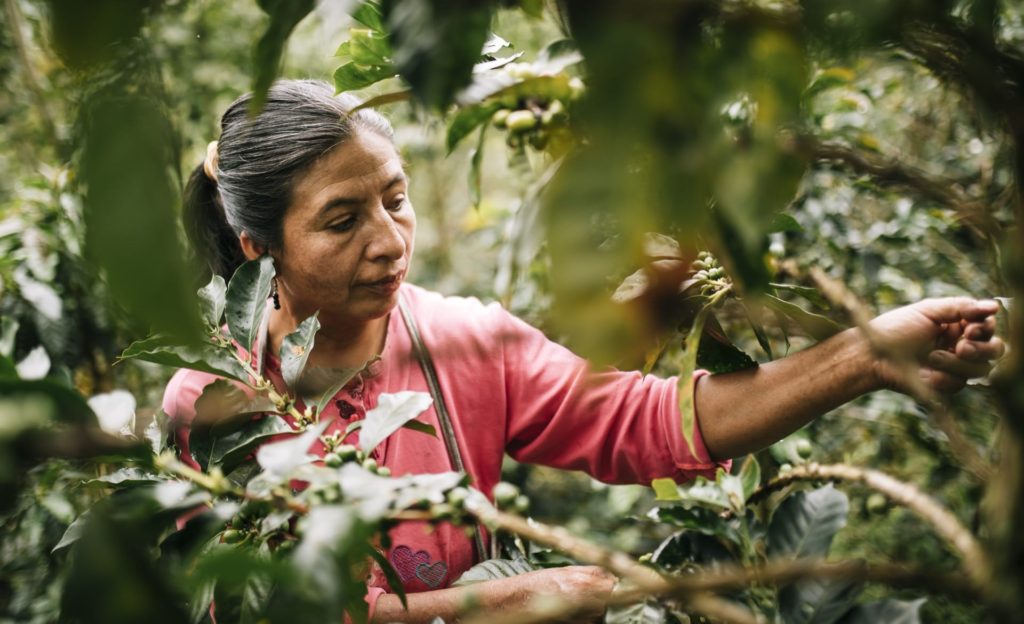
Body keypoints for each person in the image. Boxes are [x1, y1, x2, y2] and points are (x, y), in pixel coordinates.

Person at [163, 79, 1005, 623]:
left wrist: (867, 357)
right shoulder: (212, 401)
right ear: (254, 247)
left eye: (396, 199)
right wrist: (513, 600)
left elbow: (654, 423)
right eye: (343, 222)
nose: (390, 243)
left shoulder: (465, 341)